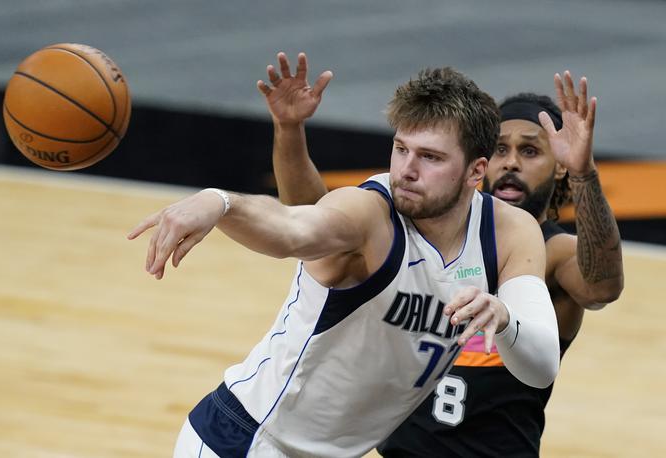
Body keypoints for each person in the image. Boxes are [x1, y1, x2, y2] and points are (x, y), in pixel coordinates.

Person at [128, 61, 561, 457]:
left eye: (430, 157)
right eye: (401, 148)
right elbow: (291, 229)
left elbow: (540, 367)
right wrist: (221, 203)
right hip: (251, 441)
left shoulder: (509, 232)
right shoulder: (370, 213)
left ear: (475, 171)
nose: (406, 170)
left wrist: (505, 318)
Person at [260, 52, 624, 457]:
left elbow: (601, 287)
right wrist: (289, 129)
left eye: (531, 152)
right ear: (478, 164)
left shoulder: (551, 250)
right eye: (501, 150)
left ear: (559, 166)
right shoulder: (417, 225)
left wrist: (584, 173)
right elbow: (314, 230)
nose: (511, 164)